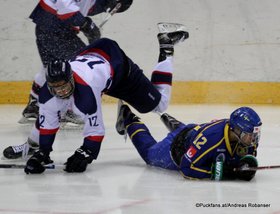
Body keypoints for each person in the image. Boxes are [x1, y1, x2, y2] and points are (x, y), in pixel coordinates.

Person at [11, 28, 189, 173]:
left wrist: (87, 152)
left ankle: (166, 47)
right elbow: (48, 123)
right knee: (57, 107)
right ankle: (30, 146)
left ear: (72, 78)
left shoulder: (86, 91)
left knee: (159, 105)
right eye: (56, 87)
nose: (62, 90)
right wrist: (43, 152)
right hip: (94, 58)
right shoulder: (50, 93)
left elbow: (95, 130)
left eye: (64, 85)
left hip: (117, 65)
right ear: (49, 86)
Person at [21, 0, 133, 123]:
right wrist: (85, 24)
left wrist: (106, 4)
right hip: (57, 27)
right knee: (81, 65)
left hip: (46, 26)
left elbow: (84, 6)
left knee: (54, 68)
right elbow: (64, 4)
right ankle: (74, 112)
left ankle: (34, 106)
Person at [115, 104, 262, 181]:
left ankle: (178, 126)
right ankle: (129, 119)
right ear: (235, 130)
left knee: (191, 134)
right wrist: (220, 173)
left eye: (254, 135)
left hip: (194, 133)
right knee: (149, 154)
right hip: (177, 147)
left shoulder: (245, 139)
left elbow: (244, 159)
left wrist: (247, 165)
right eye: (249, 135)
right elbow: (187, 167)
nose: (253, 139)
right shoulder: (212, 139)